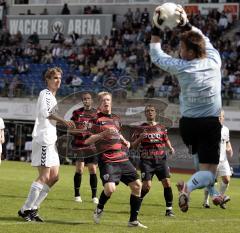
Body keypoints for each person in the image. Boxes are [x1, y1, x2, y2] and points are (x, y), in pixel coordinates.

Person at [149, 5, 229, 212]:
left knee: (201, 164)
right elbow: (201, 38)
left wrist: (156, 28)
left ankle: (191, 189)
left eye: (182, 49)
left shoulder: (182, 68)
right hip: (211, 123)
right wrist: (185, 24)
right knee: (209, 173)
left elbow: (156, 56)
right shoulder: (214, 61)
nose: (179, 51)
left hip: (188, 126)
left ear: (191, 52)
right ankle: (190, 187)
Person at [18, 67, 75, 222]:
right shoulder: (45, 94)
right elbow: (47, 113)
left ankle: (33, 208)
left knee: (55, 177)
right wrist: (65, 121)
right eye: (55, 78)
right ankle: (26, 209)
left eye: (60, 78)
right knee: (44, 176)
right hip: (43, 139)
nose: (58, 81)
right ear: (47, 80)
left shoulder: (53, 97)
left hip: (51, 140)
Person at [84, 92, 147, 228]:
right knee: (110, 189)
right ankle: (99, 208)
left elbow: (117, 132)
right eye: (103, 100)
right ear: (99, 104)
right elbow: (87, 140)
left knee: (137, 186)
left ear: (111, 102)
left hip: (122, 157)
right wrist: (101, 134)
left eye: (108, 100)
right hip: (107, 159)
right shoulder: (94, 120)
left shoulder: (117, 119)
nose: (106, 102)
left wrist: (125, 141)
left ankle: (133, 221)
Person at [131, 104, 175, 217]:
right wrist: (140, 138)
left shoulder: (161, 127)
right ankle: (137, 203)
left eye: (152, 110)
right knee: (147, 186)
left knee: (167, 182)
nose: (150, 112)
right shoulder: (140, 128)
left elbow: (166, 139)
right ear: (145, 114)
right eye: (147, 111)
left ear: (155, 113)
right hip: (146, 161)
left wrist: (170, 148)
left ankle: (169, 209)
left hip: (161, 160)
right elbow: (133, 146)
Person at [68, 92, 99, 204]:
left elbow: (100, 129)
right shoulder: (77, 113)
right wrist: (81, 131)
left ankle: (94, 196)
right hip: (79, 145)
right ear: (82, 101)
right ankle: (77, 195)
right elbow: (70, 130)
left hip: (92, 146)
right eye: (84, 99)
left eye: (88, 98)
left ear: (92, 100)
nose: (86, 100)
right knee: (79, 169)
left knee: (92, 169)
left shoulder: (97, 113)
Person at [203, 110, 233, 209]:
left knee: (226, 179)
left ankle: (220, 198)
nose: (220, 118)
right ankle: (206, 201)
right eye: (218, 116)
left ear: (224, 118)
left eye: (221, 116)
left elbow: (227, 141)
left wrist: (230, 149)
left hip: (223, 160)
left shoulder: (226, 129)